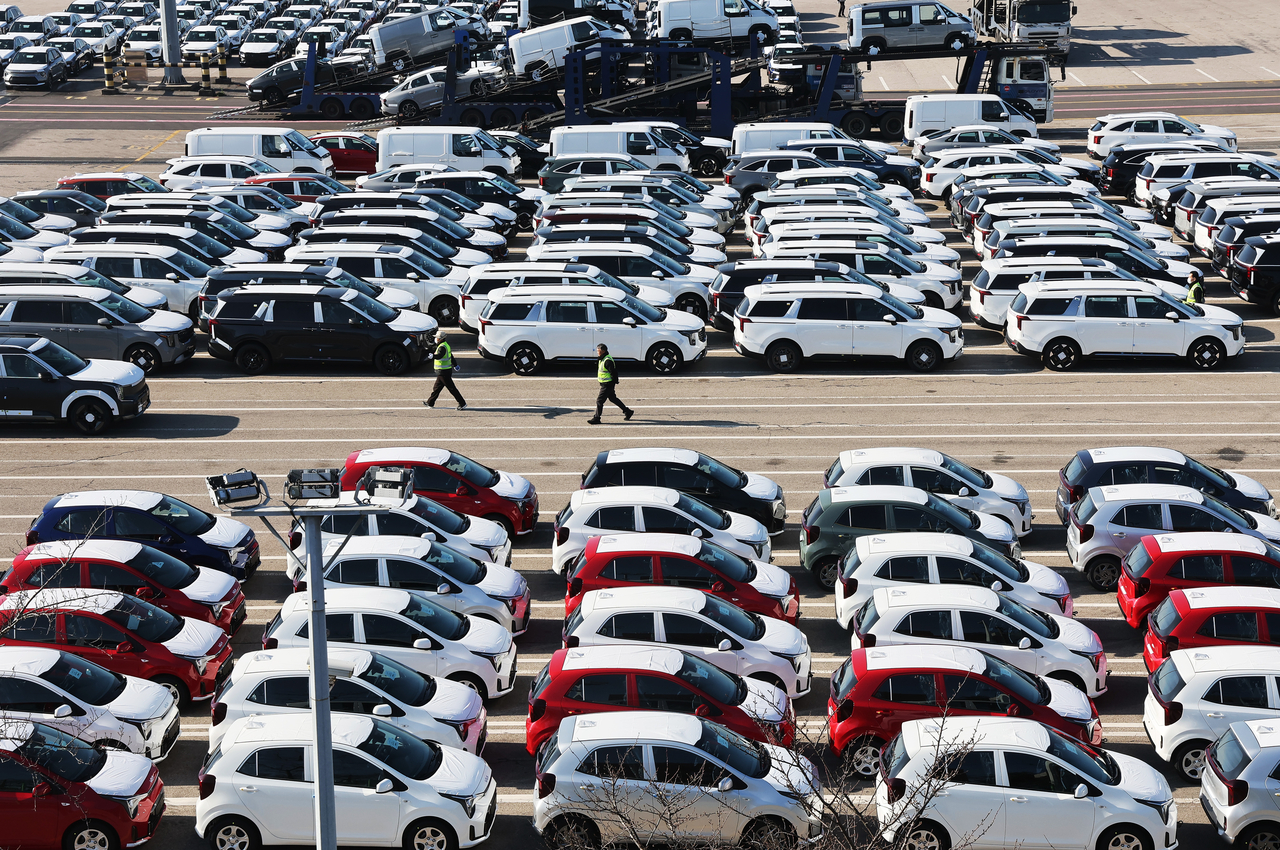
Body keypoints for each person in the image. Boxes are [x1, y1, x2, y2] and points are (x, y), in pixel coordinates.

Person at [588, 343, 632, 425]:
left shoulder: (607, 360)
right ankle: (627, 411)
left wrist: (613, 382)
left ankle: (597, 418)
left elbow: (614, 372)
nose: (597, 352)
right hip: (605, 383)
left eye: (599, 350)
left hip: (607, 384)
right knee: (613, 398)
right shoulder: (602, 358)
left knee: (599, 401)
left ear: (603, 351)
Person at [423, 331, 467, 410]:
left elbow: (439, 355)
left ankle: (462, 403)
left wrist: (433, 356)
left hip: (444, 371)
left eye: (437, 337)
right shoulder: (445, 345)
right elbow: (451, 356)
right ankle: (430, 402)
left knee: (452, 388)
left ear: (440, 339)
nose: (436, 339)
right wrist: (455, 365)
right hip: (442, 371)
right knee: (437, 388)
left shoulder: (442, 347)